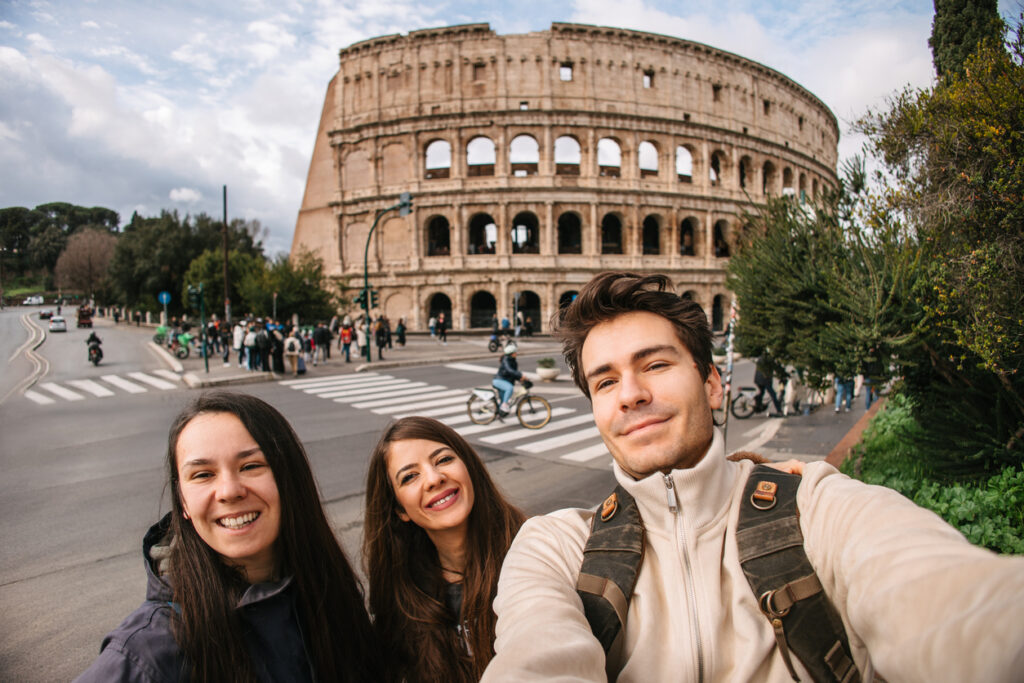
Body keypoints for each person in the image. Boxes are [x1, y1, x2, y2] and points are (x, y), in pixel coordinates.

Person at [482, 272, 1024, 682]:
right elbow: (535, 654)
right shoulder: (554, 546)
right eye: (605, 382)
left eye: (655, 365)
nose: (630, 394)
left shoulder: (815, 506)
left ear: (714, 385)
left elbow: (944, 600)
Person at [75, 391, 382, 682]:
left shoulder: (327, 590)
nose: (230, 491)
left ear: (291, 479)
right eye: (203, 475)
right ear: (183, 502)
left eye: (250, 466)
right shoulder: (149, 651)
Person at [363, 417, 525, 683]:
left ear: (469, 466)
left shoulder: (537, 550)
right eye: (410, 476)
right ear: (400, 510)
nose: (434, 479)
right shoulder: (403, 602)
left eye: (443, 460)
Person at [492, 342, 525, 416]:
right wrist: (520, 375)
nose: (516, 353)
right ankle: (504, 405)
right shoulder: (506, 360)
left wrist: (521, 378)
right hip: (499, 380)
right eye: (515, 352)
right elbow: (509, 370)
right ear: (511, 353)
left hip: (505, 381)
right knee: (509, 388)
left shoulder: (513, 361)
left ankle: (500, 413)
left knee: (503, 399)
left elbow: (513, 373)